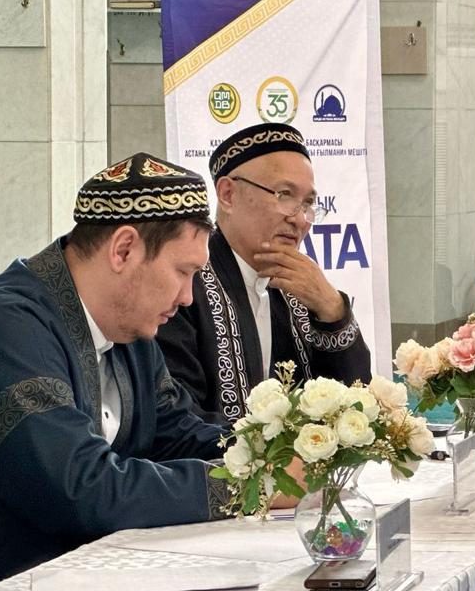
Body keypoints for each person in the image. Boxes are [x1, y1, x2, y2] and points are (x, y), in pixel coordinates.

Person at [0, 154, 247, 591]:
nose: (188, 297)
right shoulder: (2, 328)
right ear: (123, 250)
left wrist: (273, 455)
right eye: (183, 272)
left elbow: (179, 434)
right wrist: (244, 487)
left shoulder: (130, 330)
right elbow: (84, 491)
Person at [157, 123, 370, 426]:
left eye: (308, 204)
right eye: (285, 195)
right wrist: (270, 448)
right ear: (228, 194)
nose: (300, 220)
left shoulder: (301, 288)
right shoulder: (183, 286)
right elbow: (176, 419)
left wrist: (333, 309)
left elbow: (354, 406)